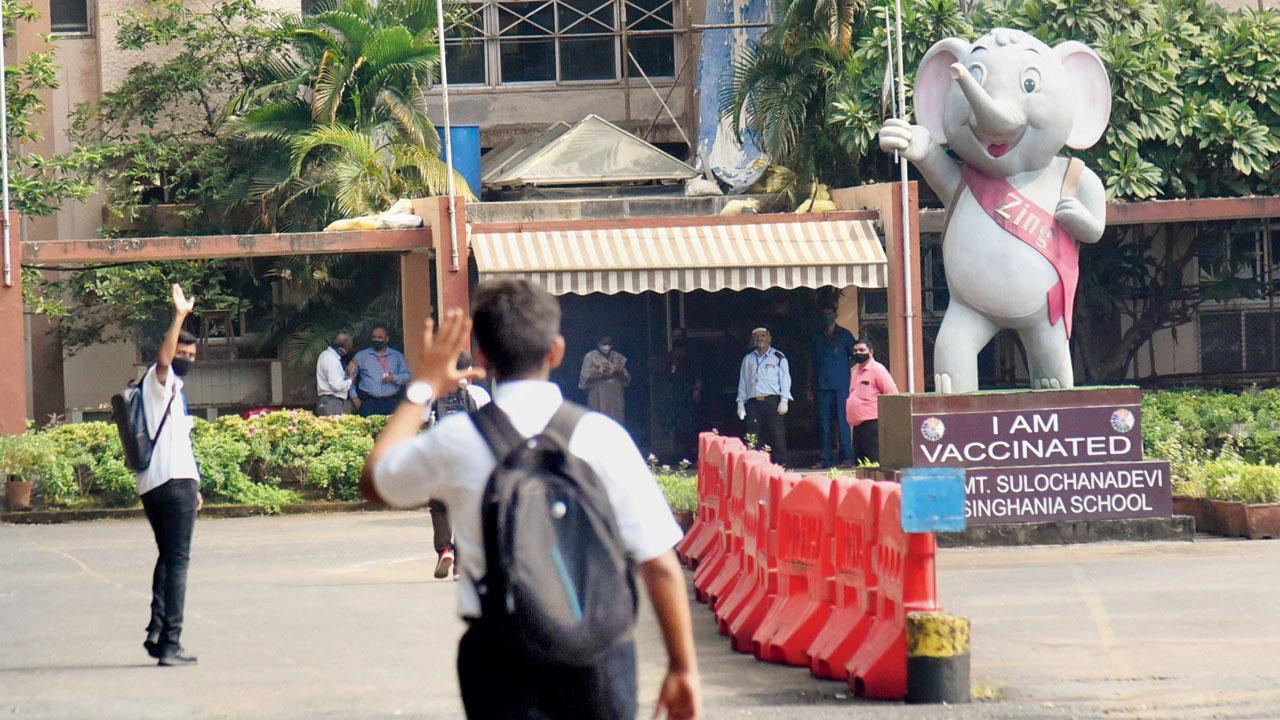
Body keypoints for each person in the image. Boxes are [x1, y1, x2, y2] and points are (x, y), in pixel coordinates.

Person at [362, 280, 701, 720]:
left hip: (500, 659)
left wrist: (423, 386)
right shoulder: (602, 437)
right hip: (597, 656)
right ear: (556, 351)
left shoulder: (457, 440)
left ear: (481, 357)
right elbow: (658, 565)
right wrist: (682, 668)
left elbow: (375, 481)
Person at [139, 283, 203, 667]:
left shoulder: (174, 389)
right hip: (172, 484)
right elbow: (164, 360)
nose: (186, 358)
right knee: (178, 560)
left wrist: (194, 485)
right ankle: (170, 643)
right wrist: (178, 316)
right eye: (183, 352)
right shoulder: (160, 381)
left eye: (192, 354)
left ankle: (156, 631)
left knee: (166, 558)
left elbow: (180, 443)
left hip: (159, 484)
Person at [423, 351, 492, 580]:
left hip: (441, 455)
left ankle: (445, 549)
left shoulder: (434, 392)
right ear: (469, 368)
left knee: (439, 505)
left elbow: (423, 422)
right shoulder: (479, 394)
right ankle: (460, 566)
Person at [736, 327, 792, 466]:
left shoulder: (779, 357)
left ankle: (781, 464)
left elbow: (785, 380)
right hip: (754, 402)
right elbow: (743, 382)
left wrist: (784, 400)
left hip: (772, 401)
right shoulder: (748, 359)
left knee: (776, 433)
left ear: (769, 338)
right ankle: (754, 465)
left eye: (763, 336)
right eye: (757, 336)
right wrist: (740, 404)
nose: (760, 339)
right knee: (753, 435)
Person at [810, 307, 857, 468]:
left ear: (836, 315)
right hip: (821, 385)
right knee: (824, 424)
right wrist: (810, 387)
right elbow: (812, 363)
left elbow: (856, 356)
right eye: (824, 314)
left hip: (841, 385)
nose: (827, 317)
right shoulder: (816, 337)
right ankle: (825, 459)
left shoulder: (845, 335)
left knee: (843, 422)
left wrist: (844, 367)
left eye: (830, 314)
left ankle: (847, 458)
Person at [846, 340, 899, 465]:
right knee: (861, 465)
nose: (858, 353)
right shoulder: (855, 372)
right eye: (855, 351)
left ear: (870, 352)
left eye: (861, 350)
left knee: (874, 462)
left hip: (873, 425)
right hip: (858, 427)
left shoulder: (878, 370)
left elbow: (891, 394)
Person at [350, 325, 410, 416]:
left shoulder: (397, 356)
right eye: (374, 337)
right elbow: (350, 378)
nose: (376, 340)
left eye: (380, 337)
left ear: (387, 339)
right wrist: (354, 398)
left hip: (392, 402)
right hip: (369, 403)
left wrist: (394, 378)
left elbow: (407, 376)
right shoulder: (361, 356)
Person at [578, 335, 630, 424]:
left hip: (615, 396)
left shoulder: (617, 357)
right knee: (598, 421)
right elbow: (584, 379)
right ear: (598, 343)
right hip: (597, 394)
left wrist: (617, 373)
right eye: (604, 343)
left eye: (609, 344)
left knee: (616, 420)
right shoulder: (590, 357)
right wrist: (599, 375)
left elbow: (626, 380)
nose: (607, 346)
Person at [316, 332, 357, 416]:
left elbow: (335, 378)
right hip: (331, 403)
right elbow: (337, 386)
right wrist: (351, 379)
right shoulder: (331, 360)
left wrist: (347, 372)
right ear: (340, 349)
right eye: (347, 349)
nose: (347, 352)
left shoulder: (326, 355)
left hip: (329, 402)